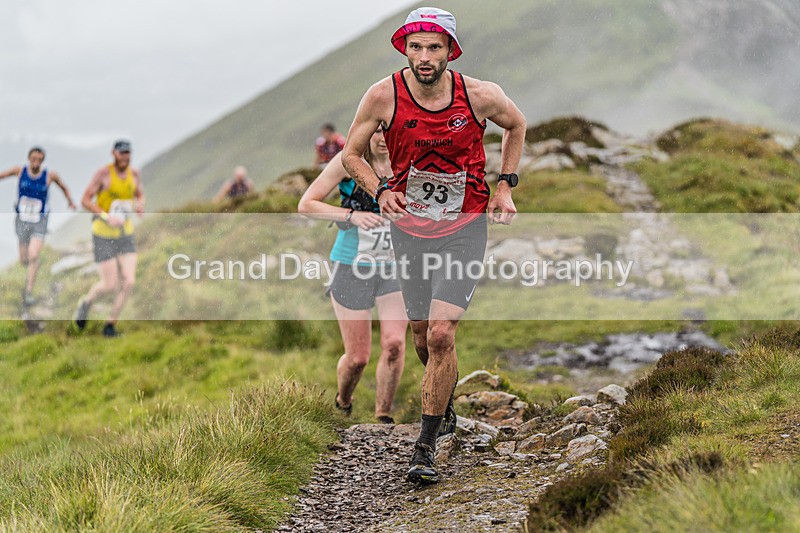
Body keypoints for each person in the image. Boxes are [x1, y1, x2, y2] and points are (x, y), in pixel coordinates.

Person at [341, 7, 526, 484]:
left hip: (465, 227)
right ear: (405, 48)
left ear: (450, 51)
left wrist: (505, 186)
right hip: (410, 231)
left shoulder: (479, 95)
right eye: (416, 47)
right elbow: (351, 155)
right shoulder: (382, 96)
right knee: (422, 335)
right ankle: (442, 403)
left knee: (442, 334)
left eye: (434, 47)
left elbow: (517, 124)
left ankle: (424, 448)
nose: (424, 57)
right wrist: (381, 191)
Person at [299, 128, 408, 423]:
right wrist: (351, 216)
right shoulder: (348, 160)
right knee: (358, 358)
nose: (384, 137)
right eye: (378, 130)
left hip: (395, 267)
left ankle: (383, 417)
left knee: (394, 344)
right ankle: (343, 401)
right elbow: (306, 204)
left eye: (390, 129)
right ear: (367, 130)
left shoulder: (408, 159)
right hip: (350, 265)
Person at [73, 139, 145, 337]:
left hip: (125, 235)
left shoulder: (134, 174)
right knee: (109, 285)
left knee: (129, 281)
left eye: (128, 153)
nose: (125, 157)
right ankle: (86, 303)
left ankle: (110, 325)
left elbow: (139, 194)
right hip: (103, 235)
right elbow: (85, 200)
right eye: (121, 153)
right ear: (114, 154)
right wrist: (107, 216)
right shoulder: (103, 174)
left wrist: (140, 204)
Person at [0, 146, 76, 306]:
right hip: (22, 220)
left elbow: (63, 187)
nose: (36, 163)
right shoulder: (19, 171)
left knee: (33, 255)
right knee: (24, 259)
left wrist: (70, 201)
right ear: (29, 158)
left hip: (39, 221)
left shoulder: (49, 175)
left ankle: (28, 292)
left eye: (39, 160)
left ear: (42, 161)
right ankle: (32, 266)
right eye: (33, 159)